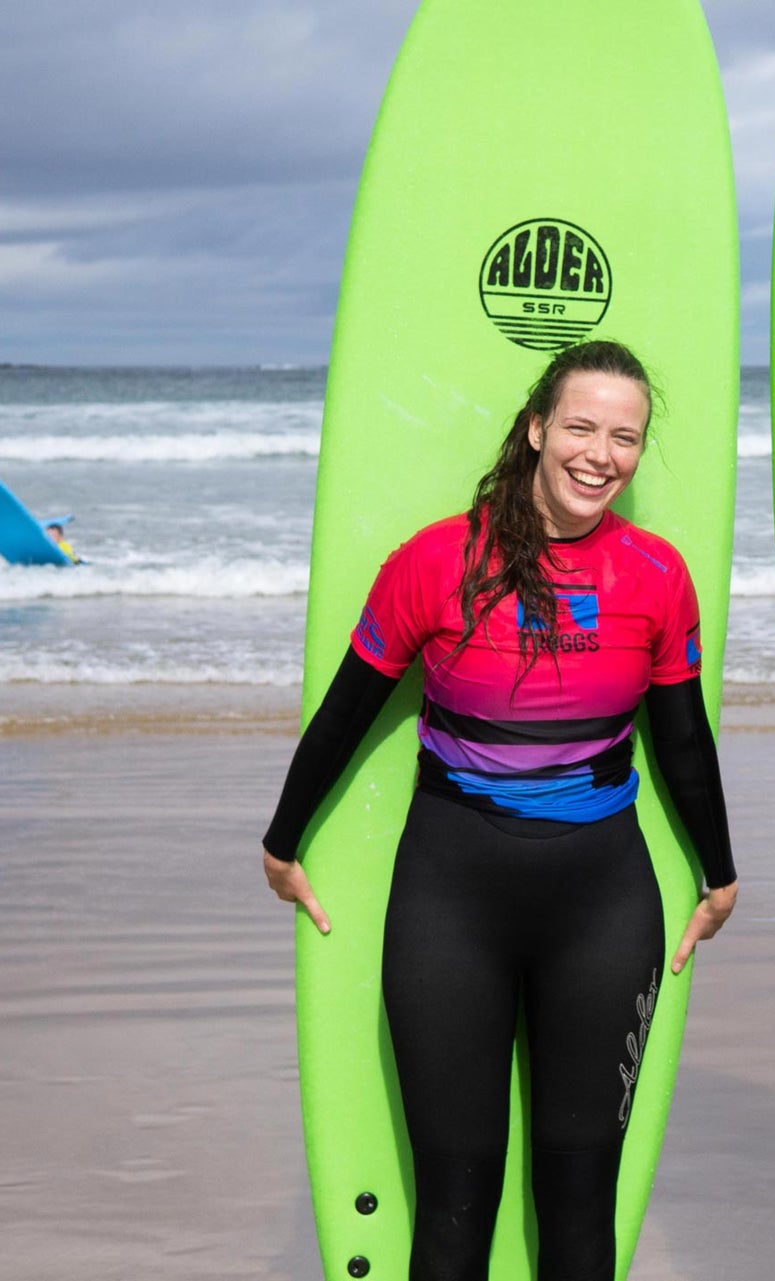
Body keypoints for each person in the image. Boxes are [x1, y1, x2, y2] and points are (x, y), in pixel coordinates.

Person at [256, 340, 737, 1281]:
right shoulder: (436, 560)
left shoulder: (656, 575)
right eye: (582, 427)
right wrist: (283, 840)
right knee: (454, 1203)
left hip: (601, 900)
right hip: (452, 898)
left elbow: (682, 736)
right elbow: (349, 708)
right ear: (536, 428)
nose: (603, 453)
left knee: (579, 1202)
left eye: (626, 436)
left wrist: (720, 872)